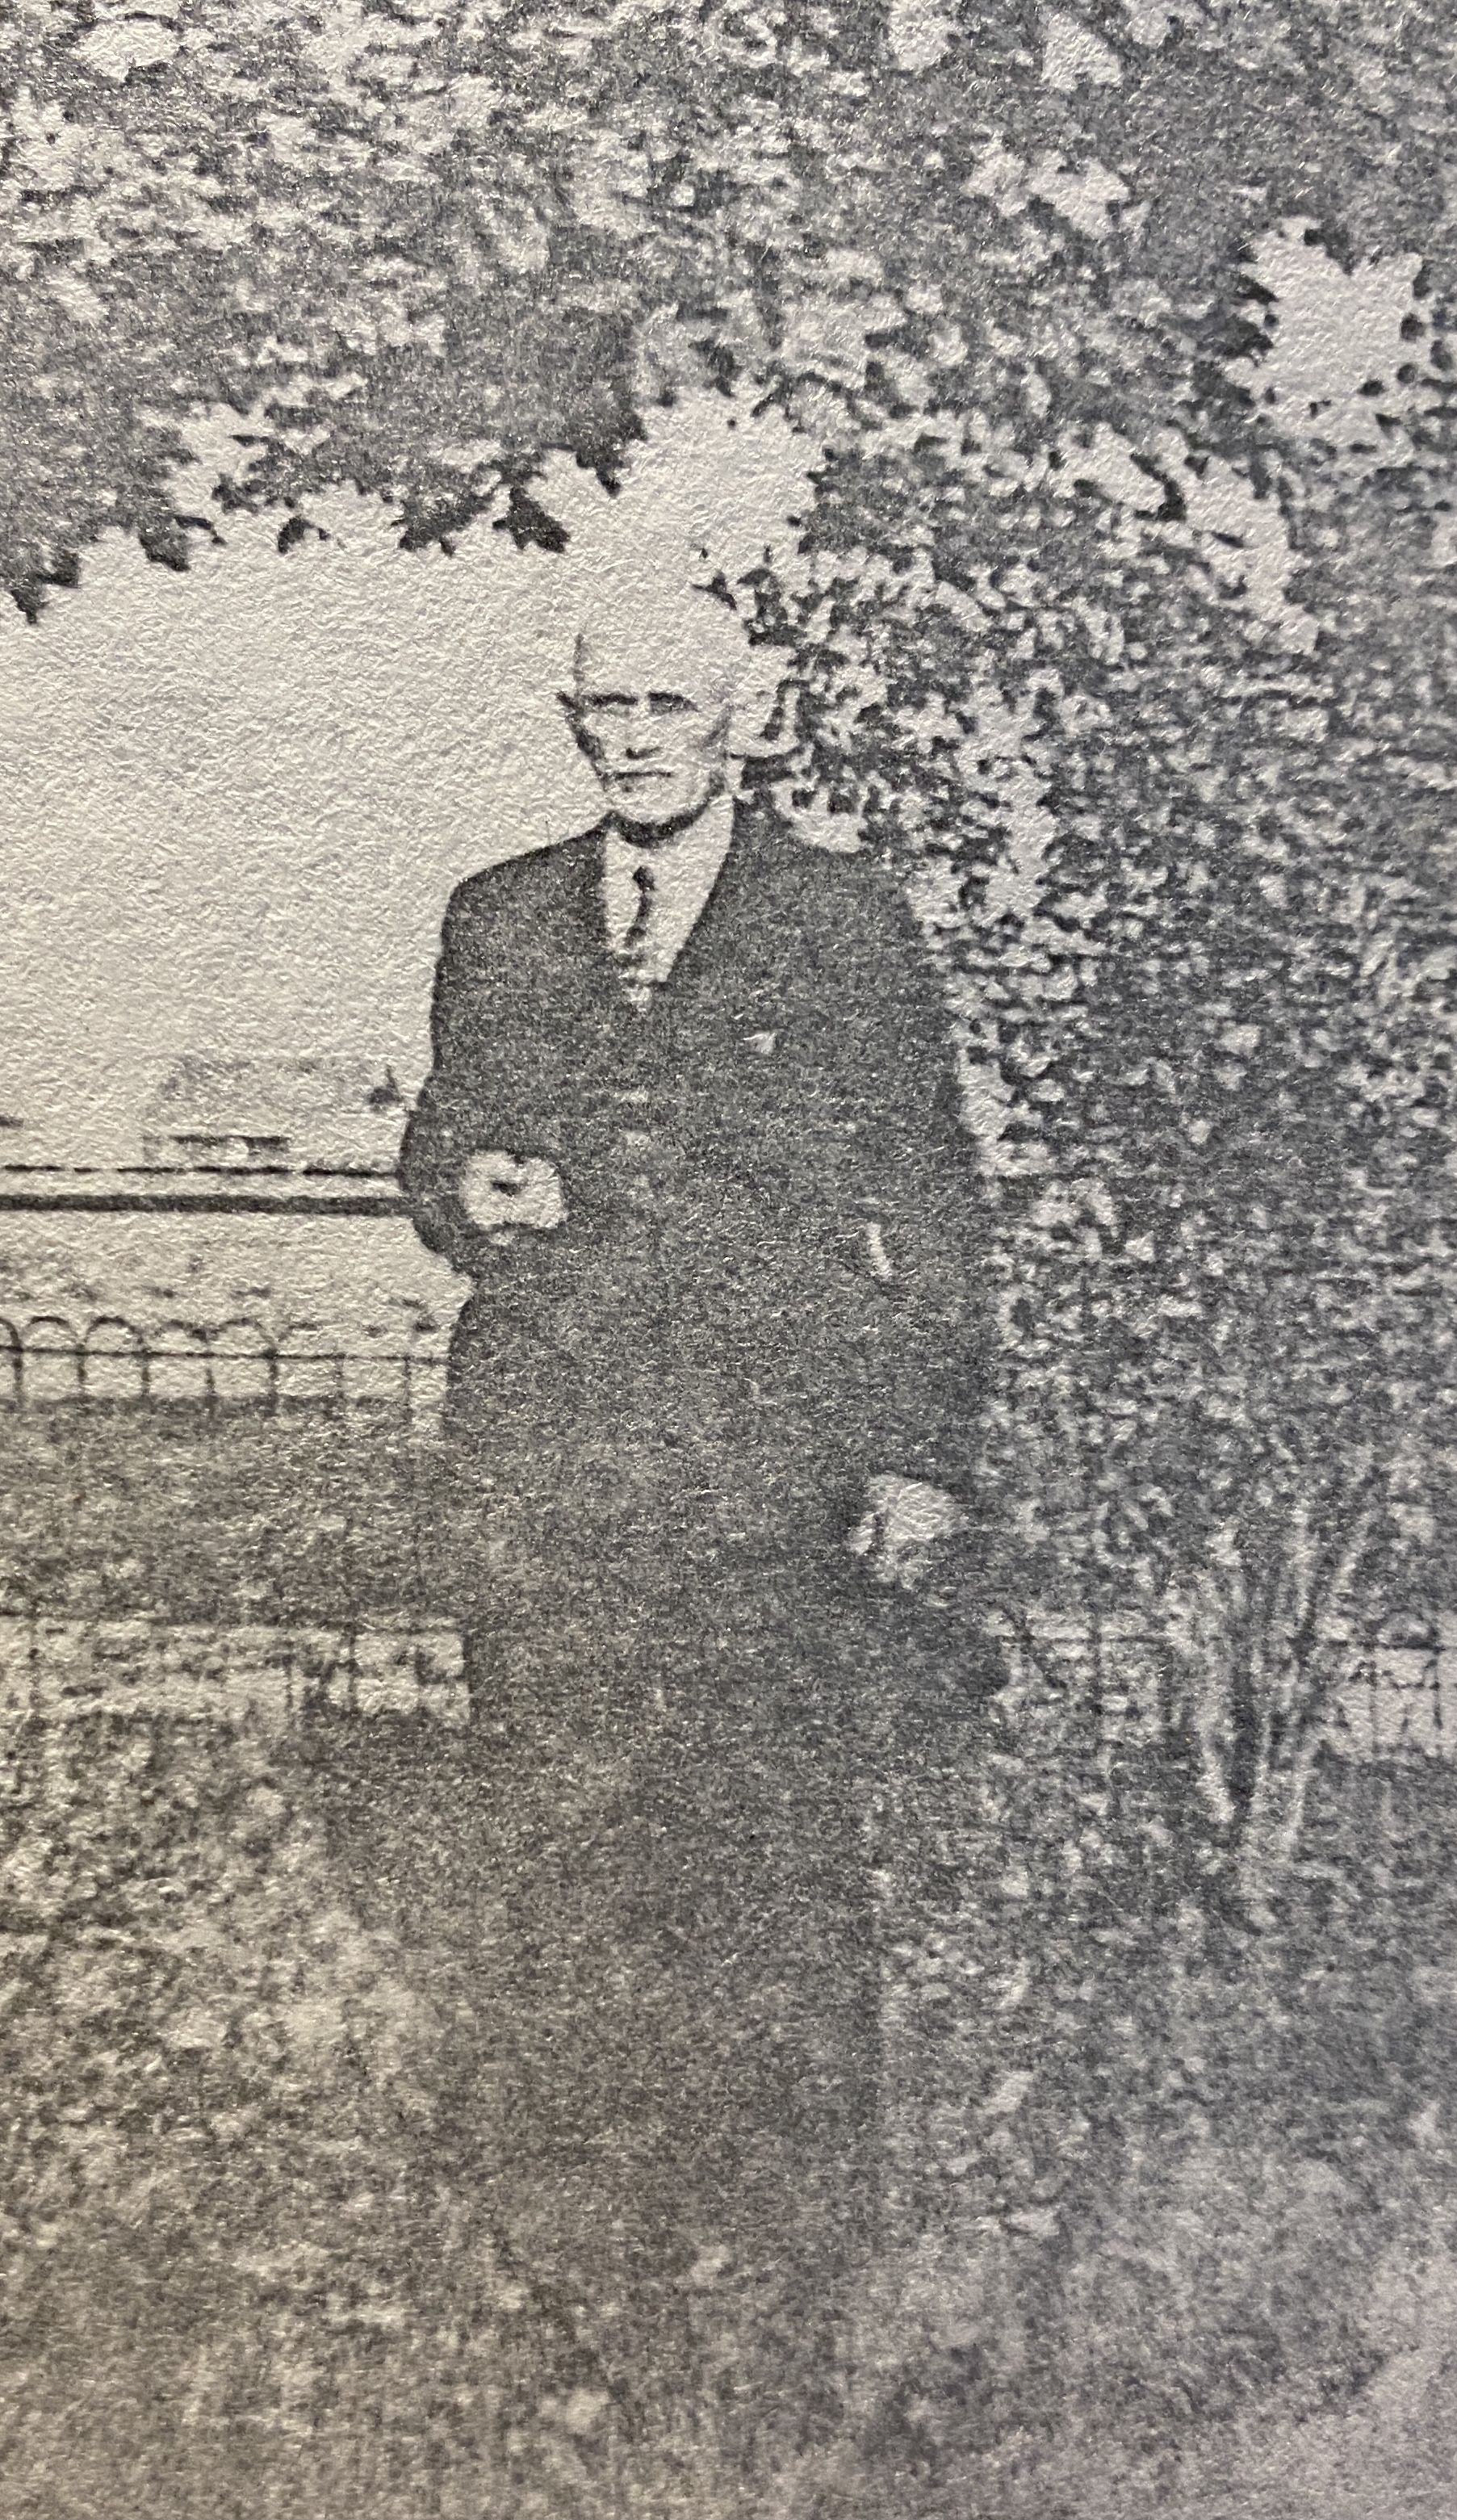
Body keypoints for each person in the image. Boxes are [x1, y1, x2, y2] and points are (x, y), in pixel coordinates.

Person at [397, 581, 991, 2427]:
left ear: (743, 722)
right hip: (549, 1464)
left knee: (771, 1861)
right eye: (608, 709)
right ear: (572, 723)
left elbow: (924, 1193)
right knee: (563, 1854)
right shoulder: (499, 912)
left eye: (670, 704)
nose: (637, 737)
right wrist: (465, 1188)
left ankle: (799, 2272)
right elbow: (442, 1131)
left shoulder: (839, 919)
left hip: (763, 1463)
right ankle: (593, 2270)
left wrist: (923, 1451)